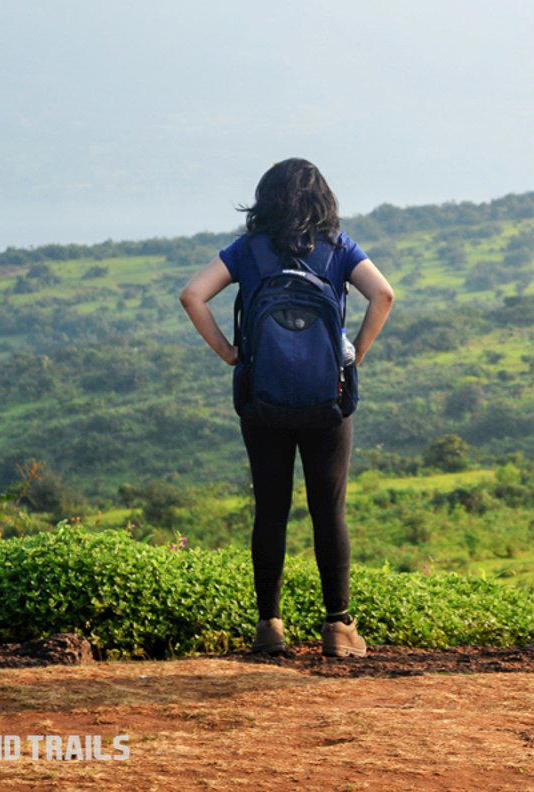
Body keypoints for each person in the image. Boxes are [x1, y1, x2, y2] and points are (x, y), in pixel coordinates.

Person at [179, 158, 395, 658]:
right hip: (328, 403)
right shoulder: (339, 248)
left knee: (271, 511)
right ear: (323, 200)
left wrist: (230, 354)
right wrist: (354, 354)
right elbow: (382, 294)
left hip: (262, 402)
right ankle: (338, 627)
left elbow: (193, 296)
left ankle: (269, 625)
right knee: (328, 510)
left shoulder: (249, 251)